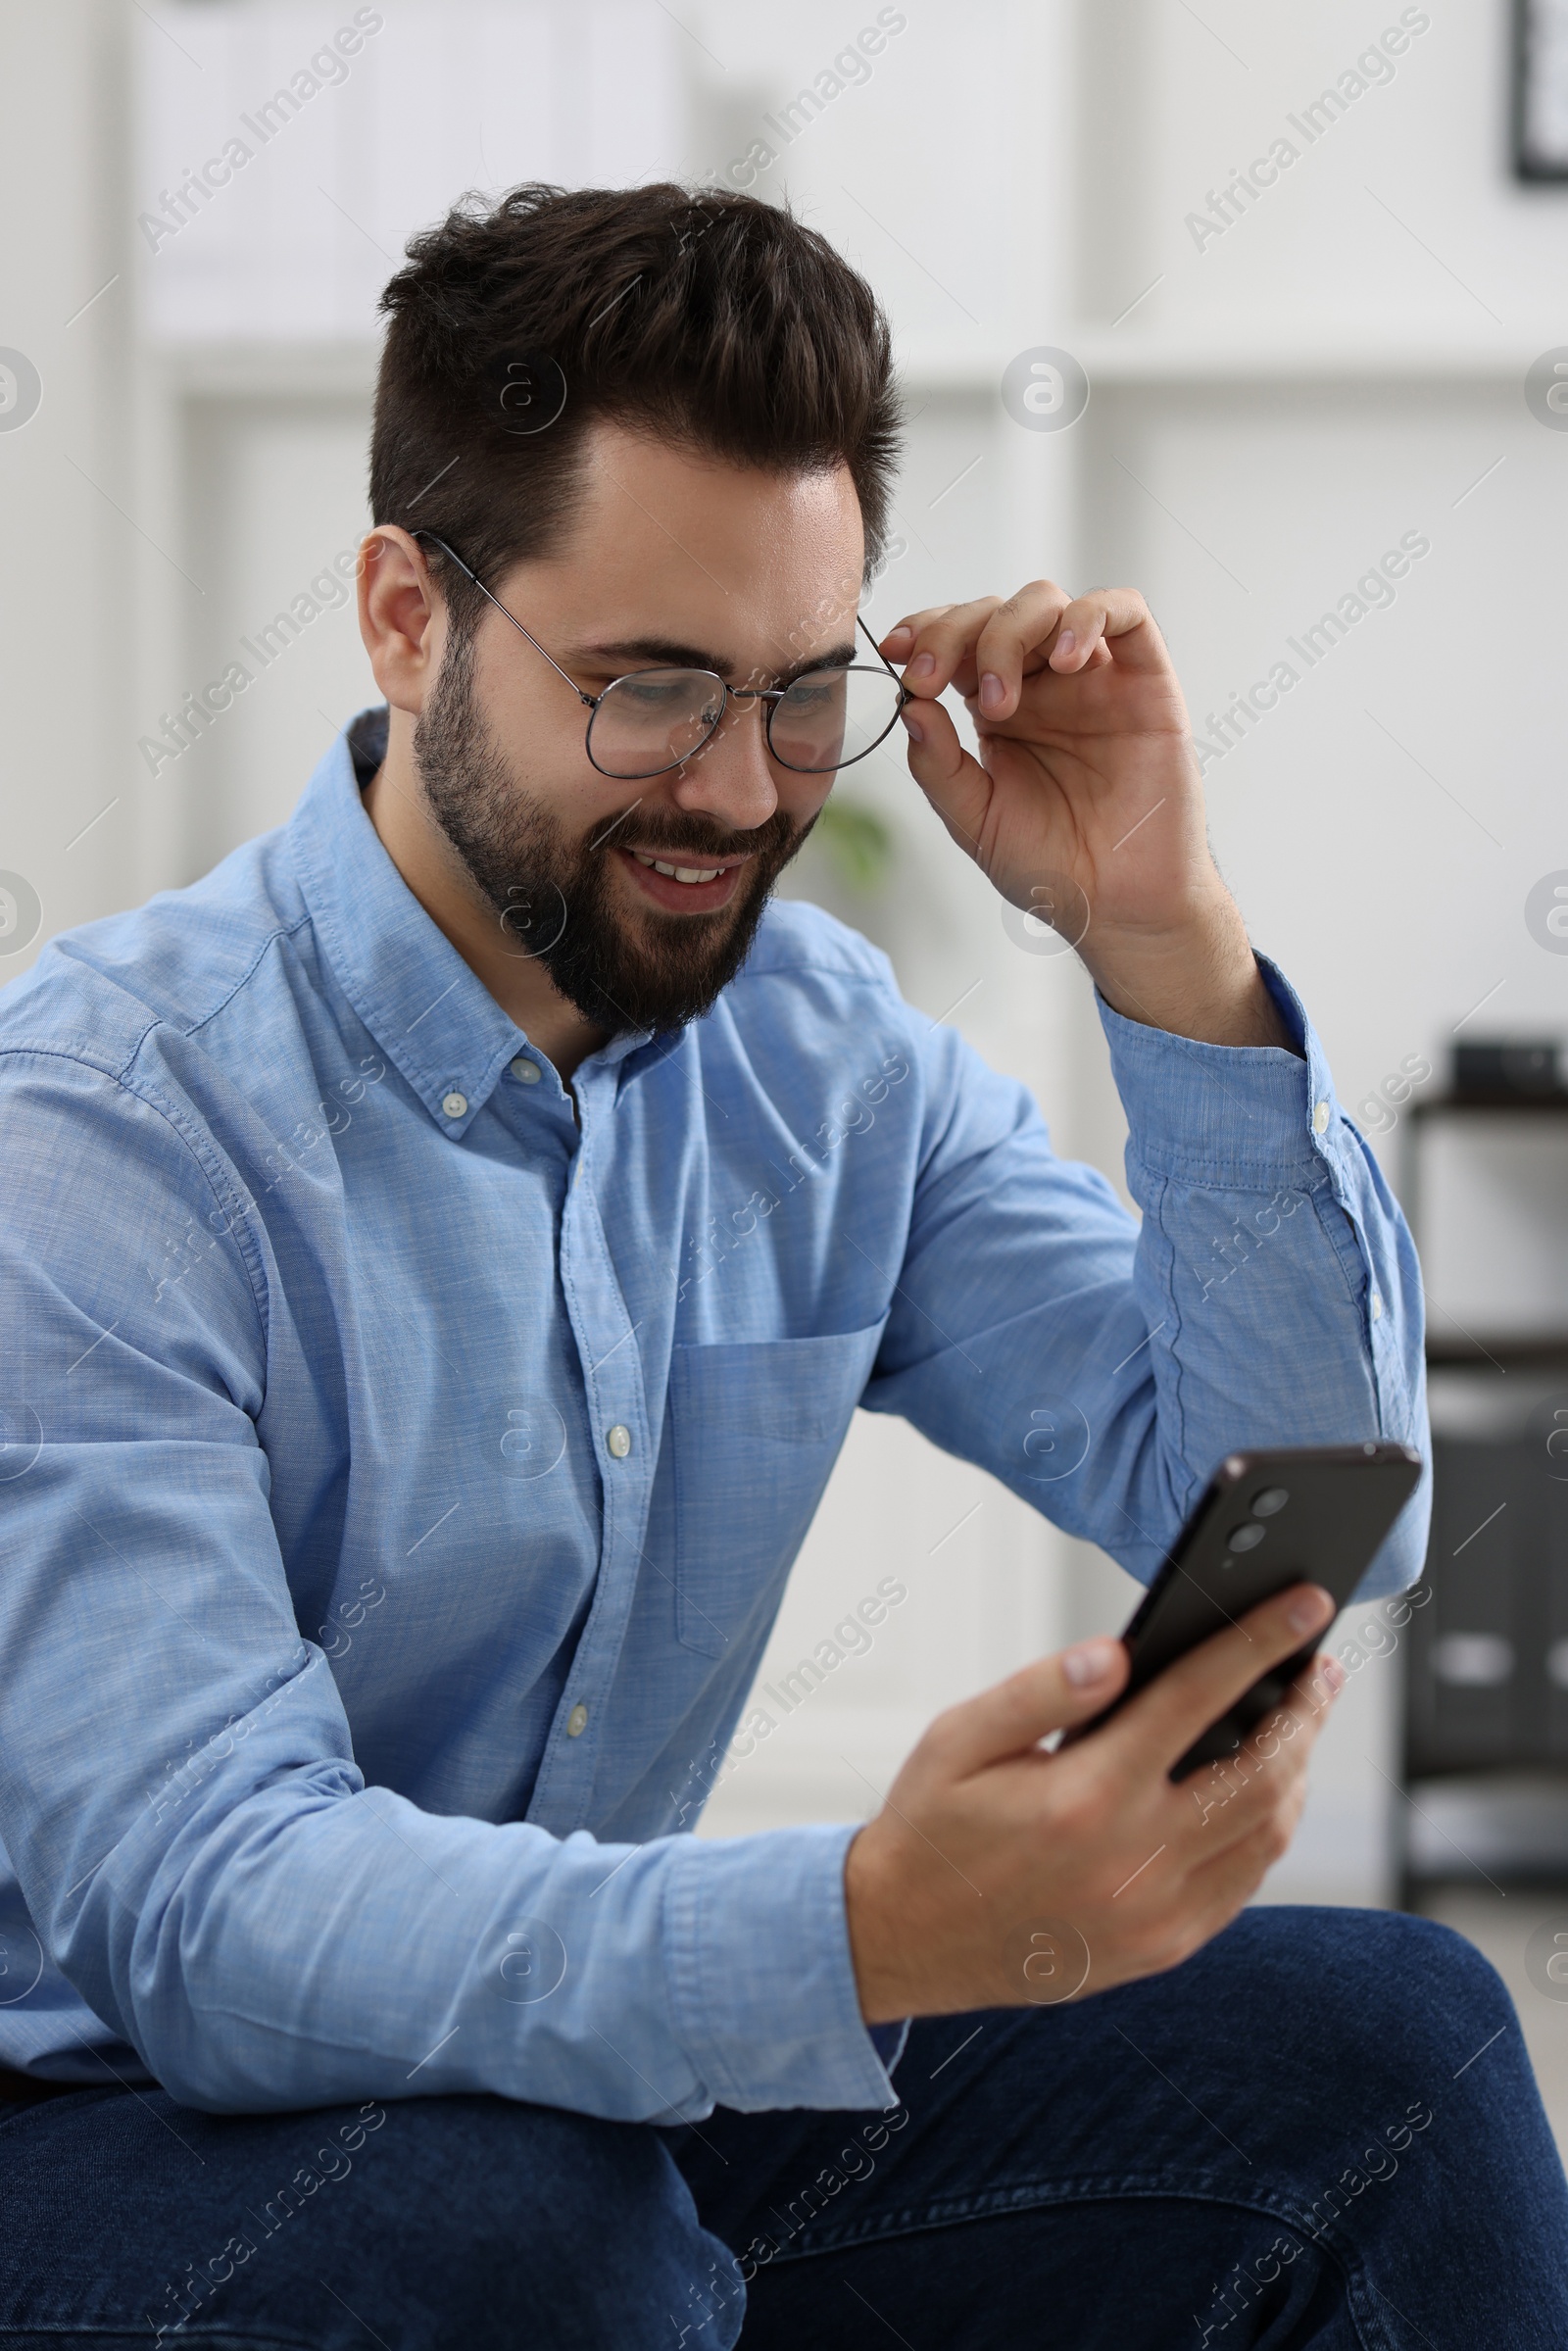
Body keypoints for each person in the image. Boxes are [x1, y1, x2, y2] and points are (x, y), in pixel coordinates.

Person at [0, 181, 1560, 2350]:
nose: (735, 795)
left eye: (797, 694)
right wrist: (852, 1932)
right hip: (82, 2126)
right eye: (648, 691)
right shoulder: (94, 1130)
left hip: (559, 2101)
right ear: (400, 614)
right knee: (524, 2235)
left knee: (1398, 2052)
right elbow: (209, 1911)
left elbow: (1303, 1508)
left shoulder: (813, 1062)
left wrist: (1166, 946)